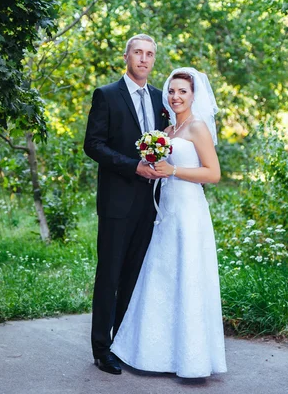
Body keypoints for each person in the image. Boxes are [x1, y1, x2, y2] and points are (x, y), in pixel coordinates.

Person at [110, 67, 228, 378]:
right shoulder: (169, 131)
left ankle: (193, 360)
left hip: (189, 211)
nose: (175, 97)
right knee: (163, 275)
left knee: (188, 275)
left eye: (182, 92)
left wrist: (173, 172)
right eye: (172, 91)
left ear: (193, 96)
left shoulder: (198, 128)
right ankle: (154, 354)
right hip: (166, 210)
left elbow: (213, 174)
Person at [83, 34, 170, 375]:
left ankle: (123, 343)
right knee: (109, 275)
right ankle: (102, 350)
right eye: (138, 52)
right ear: (127, 56)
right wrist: (132, 165)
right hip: (117, 201)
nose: (144, 59)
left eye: (149, 54)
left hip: (151, 204)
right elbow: (93, 145)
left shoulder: (162, 99)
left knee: (134, 275)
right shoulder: (106, 95)